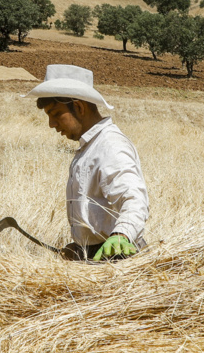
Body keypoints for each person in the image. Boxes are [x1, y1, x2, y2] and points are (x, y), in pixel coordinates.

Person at [28, 65, 149, 261]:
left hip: (116, 257)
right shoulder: (89, 146)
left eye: (56, 114)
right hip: (95, 256)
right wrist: (80, 248)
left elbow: (134, 198)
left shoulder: (110, 145)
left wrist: (121, 235)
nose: (51, 124)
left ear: (79, 107)